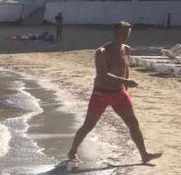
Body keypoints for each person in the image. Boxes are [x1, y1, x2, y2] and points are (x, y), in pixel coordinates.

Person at [67, 21, 162, 164]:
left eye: (127, 34)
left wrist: (126, 87)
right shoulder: (102, 52)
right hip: (101, 93)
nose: (125, 37)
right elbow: (102, 75)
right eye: (122, 34)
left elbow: (126, 68)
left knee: (133, 124)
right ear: (115, 33)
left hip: (119, 92)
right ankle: (72, 151)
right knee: (89, 125)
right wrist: (126, 81)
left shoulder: (127, 49)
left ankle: (144, 154)